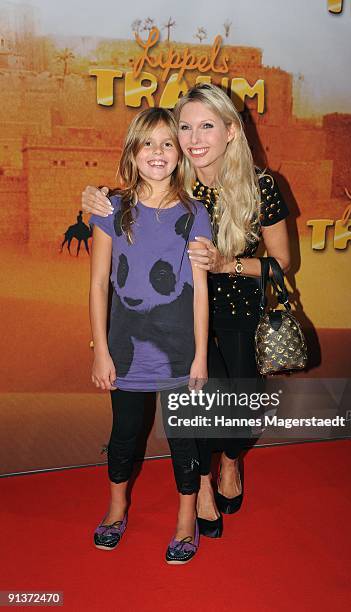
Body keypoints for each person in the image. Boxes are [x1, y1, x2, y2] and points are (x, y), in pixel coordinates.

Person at [83, 83, 290, 537]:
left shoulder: (261, 186)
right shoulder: (175, 175)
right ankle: (204, 489)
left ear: (232, 131)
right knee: (195, 410)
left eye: (207, 126)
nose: (194, 138)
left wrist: (227, 263)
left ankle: (230, 463)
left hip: (235, 308)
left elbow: (283, 261)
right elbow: (126, 201)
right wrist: (92, 200)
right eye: (186, 127)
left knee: (241, 410)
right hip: (178, 317)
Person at [89, 107, 212, 564]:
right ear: (132, 151)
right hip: (125, 347)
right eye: (148, 143)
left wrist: (200, 356)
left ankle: (186, 519)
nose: (157, 152)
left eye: (167, 143)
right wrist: (101, 350)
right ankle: (116, 508)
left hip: (180, 349)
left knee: (185, 437)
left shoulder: (194, 213)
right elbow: (99, 285)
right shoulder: (111, 209)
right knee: (125, 433)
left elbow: (201, 292)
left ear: (179, 154)